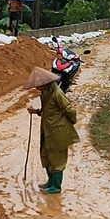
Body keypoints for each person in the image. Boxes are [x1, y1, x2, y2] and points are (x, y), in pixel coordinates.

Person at [25, 65, 78, 195]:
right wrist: (36, 111)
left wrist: (69, 123)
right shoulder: (46, 93)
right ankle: (50, 182)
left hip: (58, 131)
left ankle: (56, 186)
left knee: (57, 159)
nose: (37, 88)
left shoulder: (57, 94)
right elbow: (47, 111)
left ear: (45, 83)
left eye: (38, 85)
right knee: (46, 154)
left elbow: (70, 111)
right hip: (48, 130)